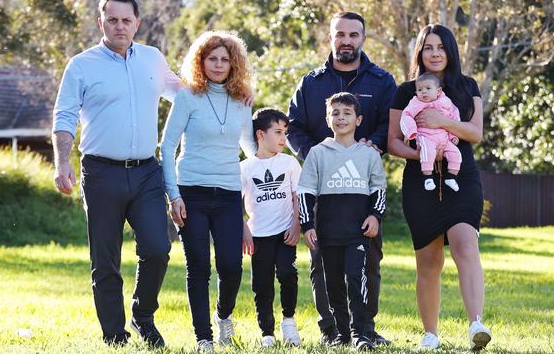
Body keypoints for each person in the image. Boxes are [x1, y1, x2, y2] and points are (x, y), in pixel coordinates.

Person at [52, 0, 182, 348]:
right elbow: (63, 115)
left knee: (157, 247)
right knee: (105, 258)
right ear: (101, 22)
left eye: (127, 20)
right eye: (113, 20)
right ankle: (114, 334)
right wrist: (62, 161)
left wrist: (233, 90)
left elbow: (184, 93)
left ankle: (143, 316)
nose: (120, 26)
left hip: (146, 173)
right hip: (101, 174)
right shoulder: (81, 65)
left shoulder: (152, 59)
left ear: (137, 23)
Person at [287, 11, 396, 345]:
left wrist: (372, 144)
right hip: (323, 193)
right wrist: (318, 156)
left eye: (353, 34)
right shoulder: (311, 82)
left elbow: (390, 126)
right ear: (330, 37)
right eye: (340, 34)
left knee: (366, 264)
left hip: (361, 192)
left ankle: (364, 329)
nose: (346, 40)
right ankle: (332, 331)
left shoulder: (381, 81)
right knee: (323, 266)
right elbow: (292, 126)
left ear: (363, 38)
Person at [387, 24, 492, 351]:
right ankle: (430, 334)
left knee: (465, 243)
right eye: (428, 47)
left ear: (451, 52)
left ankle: (476, 323)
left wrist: (442, 122)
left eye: (441, 47)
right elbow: (392, 141)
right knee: (429, 261)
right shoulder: (406, 91)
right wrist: (418, 153)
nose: (434, 53)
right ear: (420, 51)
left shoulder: (467, 86)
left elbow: (475, 133)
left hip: (462, 175)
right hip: (422, 178)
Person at [159, 30, 257, 353]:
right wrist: (173, 196)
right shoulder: (188, 97)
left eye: (224, 59)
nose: (218, 65)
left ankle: (223, 316)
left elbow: (251, 150)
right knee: (198, 265)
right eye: (211, 58)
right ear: (201, 62)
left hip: (228, 195)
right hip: (191, 194)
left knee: (231, 266)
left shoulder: (241, 101)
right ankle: (203, 337)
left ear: (234, 64)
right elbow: (168, 146)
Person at [297, 92, 387, 351]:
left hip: (357, 231)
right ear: (327, 119)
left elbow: (378, 190)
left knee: (356, 279)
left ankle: (362, 334)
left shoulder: (368, 154)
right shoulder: (318, 153)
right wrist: (307, 225)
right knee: (333, 284)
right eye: (335, 113)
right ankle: (342, 333)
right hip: (327, 232)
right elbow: (305, 191)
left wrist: (375, 215)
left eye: (347, 113)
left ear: (358, 120)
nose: (341, 118)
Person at [240, 108, 302, 347]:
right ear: (260, 134)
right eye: (277, 132)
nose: (283, 138)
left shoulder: (289, 163)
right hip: (258, 236)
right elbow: (237, 203)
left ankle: (288, 322)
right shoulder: (245, 168)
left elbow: (298, 196)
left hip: (285, 233)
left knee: (288, 274)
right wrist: (245, 230)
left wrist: (297, 224)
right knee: (262, 285)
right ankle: (267, 332)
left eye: (285, 132)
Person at [400, 72, 462, 191]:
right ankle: (427, 178)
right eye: (419, 89)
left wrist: (453, 135)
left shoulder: (446, 102)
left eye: (428, 88)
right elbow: (406, 116)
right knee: (428, 152)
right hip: (425, 136)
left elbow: (454, 117)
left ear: (438, 91)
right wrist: (411, 131)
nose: (423, 92)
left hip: (444, 138)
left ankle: (451, 177)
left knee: (456, 153)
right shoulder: (415, 103)